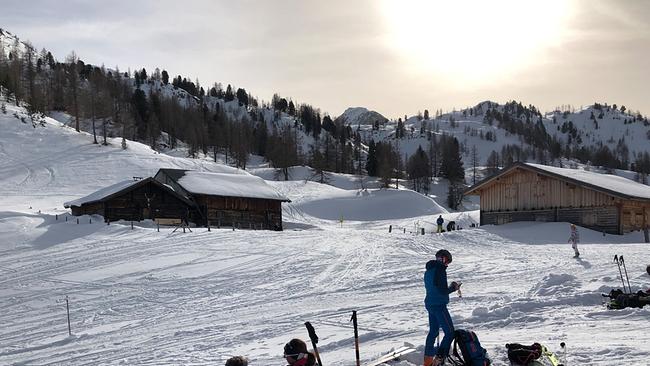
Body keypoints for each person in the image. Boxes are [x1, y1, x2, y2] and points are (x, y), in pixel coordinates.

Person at [424, 249, 461, 366]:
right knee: (450, 332)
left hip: (430, 304)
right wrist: (453, 288)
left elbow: (434, 288)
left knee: (434, 331)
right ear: (443, 258)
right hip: (439, 305)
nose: (447, 265)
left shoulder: (429, 270)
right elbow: (442, 291)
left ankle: (428, 360)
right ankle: (439, 358)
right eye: (447, 262)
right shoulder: (440, 270)